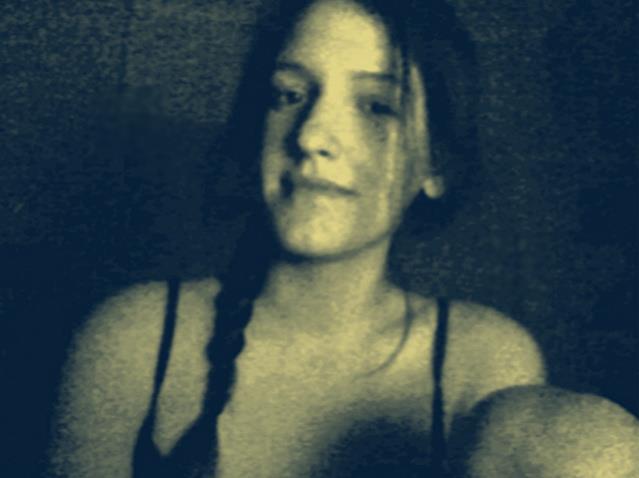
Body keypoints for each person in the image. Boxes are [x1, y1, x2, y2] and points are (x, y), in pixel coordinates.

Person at [47, 0, 638, 477]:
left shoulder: (484, 363)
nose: (311, 135)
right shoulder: (133, 342)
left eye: (376, 106)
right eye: (289, 95)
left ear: (436, 164)